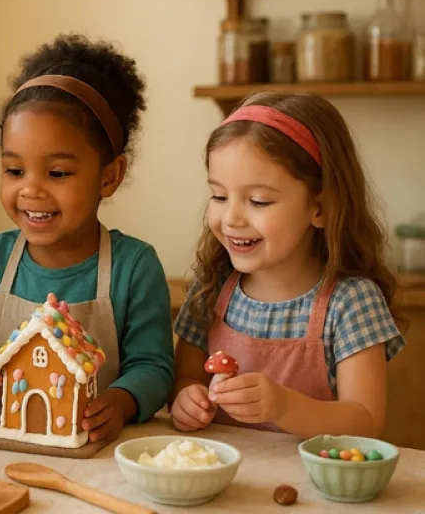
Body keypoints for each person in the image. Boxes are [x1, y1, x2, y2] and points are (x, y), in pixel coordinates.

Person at [0, 34, 174, 443]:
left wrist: (120, 401)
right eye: (14, 171)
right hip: (3, 450)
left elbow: (155, 367)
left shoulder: (134, 267)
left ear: (109, 176)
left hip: (99, 451)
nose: (31, 190)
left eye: (57, 173)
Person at [170, 92, 405, 438]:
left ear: (320, 208)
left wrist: (283, 406)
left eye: (258, 201)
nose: (231, 217)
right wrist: (185, 401)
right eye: (219, 196)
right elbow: (187, 378)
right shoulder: (212, 287)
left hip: (313, 488)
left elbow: (366, 420)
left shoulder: (352, 302)